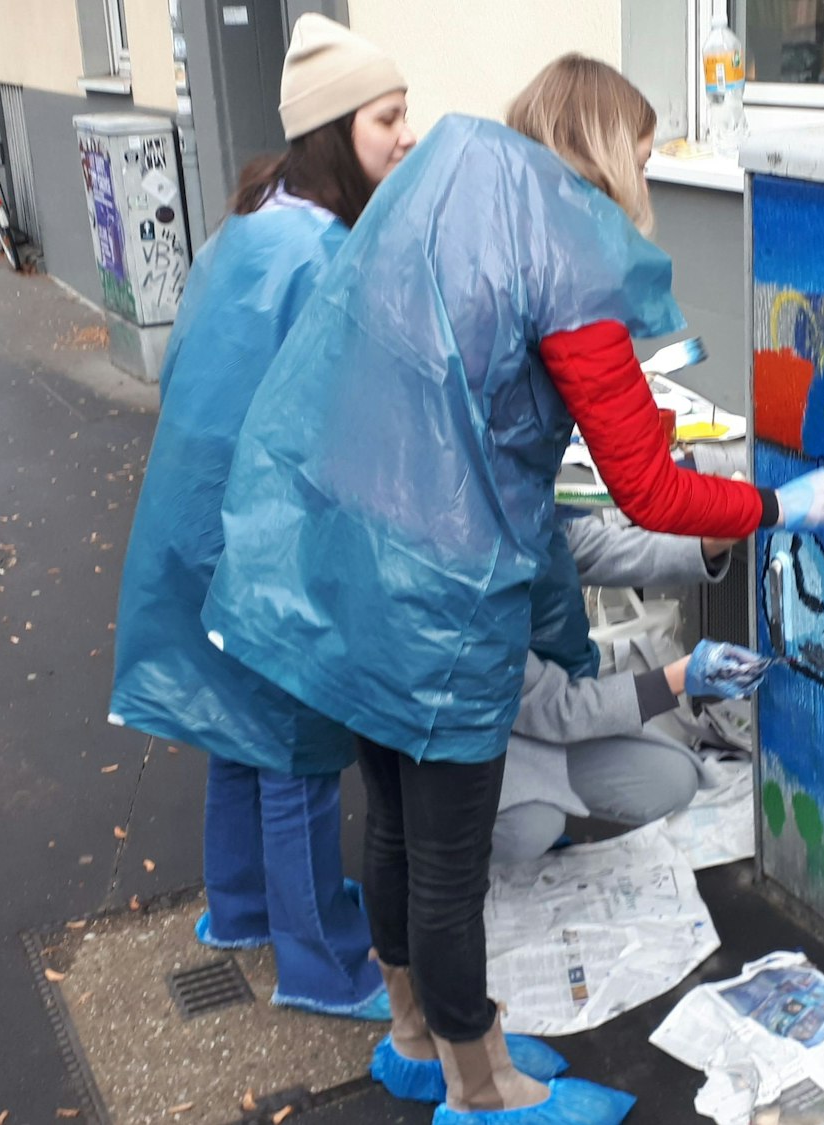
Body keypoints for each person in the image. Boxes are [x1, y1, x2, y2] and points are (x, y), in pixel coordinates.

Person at [203, 53, 824, 1124]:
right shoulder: (563, 251)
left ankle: (415, 1039)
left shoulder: (449, 183)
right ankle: (486, 1088)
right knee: (450, 860)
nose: (645, 180)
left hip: (348, 563)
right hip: (441, 604)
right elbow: (644, 486)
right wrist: (778, 508)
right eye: (642, 157)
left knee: (396, 828)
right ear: (606, 155)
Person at [114, 21, 567, 1069]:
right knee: (295, 746)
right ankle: (322, 959)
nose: (404, 137)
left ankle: (236, 909)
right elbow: (368, 413)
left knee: (235, 727)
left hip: (198, 516)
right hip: (271, 537)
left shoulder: (247, 221)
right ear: (332, 132)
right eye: (386, 118)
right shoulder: (324, 253)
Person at [494, 516, 762, 865]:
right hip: (487, 739)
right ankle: (435, 861)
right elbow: (555, 707)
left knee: (674, 778)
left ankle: (547, 798)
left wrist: (705, 545)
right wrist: (677, 678)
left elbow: (605, 547)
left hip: (548, 715)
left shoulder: (530, 508)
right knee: (530, 827)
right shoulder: (466, 554)